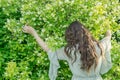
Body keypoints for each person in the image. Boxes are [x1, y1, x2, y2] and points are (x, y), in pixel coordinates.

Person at [23, 21, 112, 80]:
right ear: (86, 33)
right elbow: (107, 38)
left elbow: (47, 49)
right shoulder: (100, 46)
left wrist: (33, 32)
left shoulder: (69, 51)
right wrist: (108, 31)